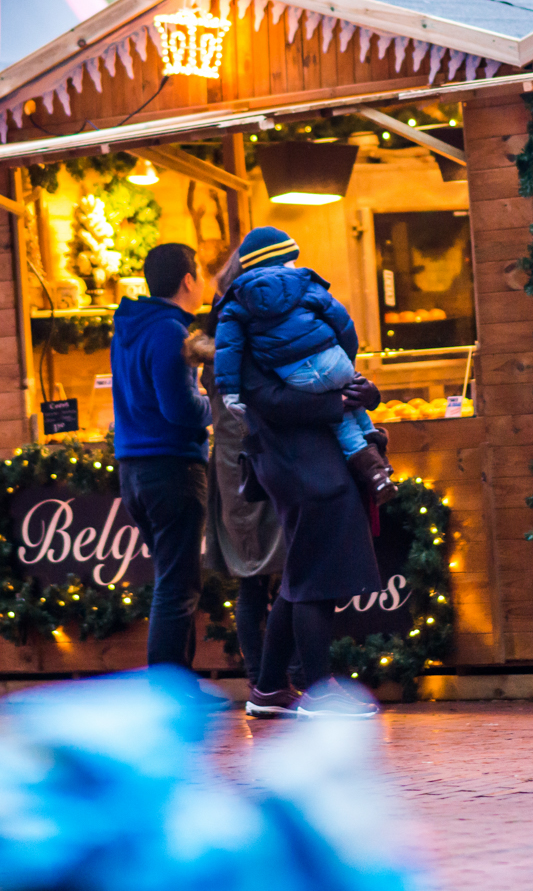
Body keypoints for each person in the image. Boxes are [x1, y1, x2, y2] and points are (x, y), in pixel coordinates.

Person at [240, 358, 384, 719]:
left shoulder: (285, 310)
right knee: (316, 573)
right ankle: (318, 691)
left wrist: (367, 393)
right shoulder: (252, 314)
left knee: (303, 568)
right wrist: (335, 403)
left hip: (305, 457)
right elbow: (265, 397)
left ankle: (270, 686)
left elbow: (332, 357)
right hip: (299, 460)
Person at [213, 227, 395, 505]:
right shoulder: (304, 286)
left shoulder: (239, 315)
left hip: (320, 470)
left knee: (348, 425)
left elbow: (234, 370)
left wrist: (367, 394)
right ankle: (378, 468)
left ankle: (376, 471)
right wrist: (344, 383)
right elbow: (270, 401)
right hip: (306, 475)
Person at [189, 250, 290, 705]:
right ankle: (273, 678)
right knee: (277, 575)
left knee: (255, 579)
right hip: (257, 468)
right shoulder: (254, 338)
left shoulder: (213, 341)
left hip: (234, 472)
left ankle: (265, 678)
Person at [110, 242, 212, 672]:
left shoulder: (131, 327)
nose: (205, 281)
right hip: (171, 469)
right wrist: (214, 406)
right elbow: (180, 410)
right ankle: (170, 693)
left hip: (134, 470)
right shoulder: (170, 332)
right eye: (201, 273)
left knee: (174, 581)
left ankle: (180, 686)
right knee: (177, 585)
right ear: (187, 280)